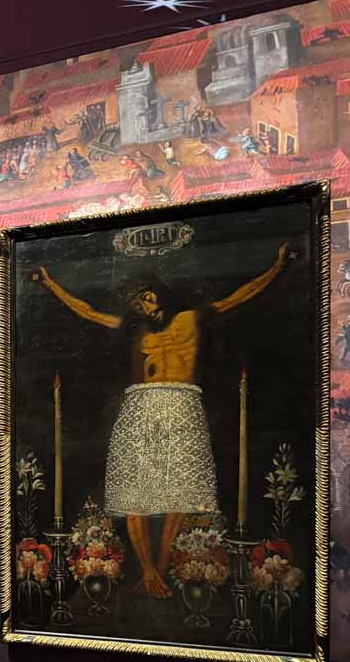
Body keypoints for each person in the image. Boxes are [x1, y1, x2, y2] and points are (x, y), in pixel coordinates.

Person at [32, 244, 293, 598]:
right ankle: (148, 570)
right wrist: (51, 285)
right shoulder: (135, 330)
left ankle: (161, 568)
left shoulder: (191, 318)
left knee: (179, 495)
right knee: (134, 495)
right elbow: (88, 312)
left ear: (159, 293)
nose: (146, 306)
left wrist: (277, 267)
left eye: (148, 297)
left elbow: (238, 297)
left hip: (183, 405)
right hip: (140, 407)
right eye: (138, 304)